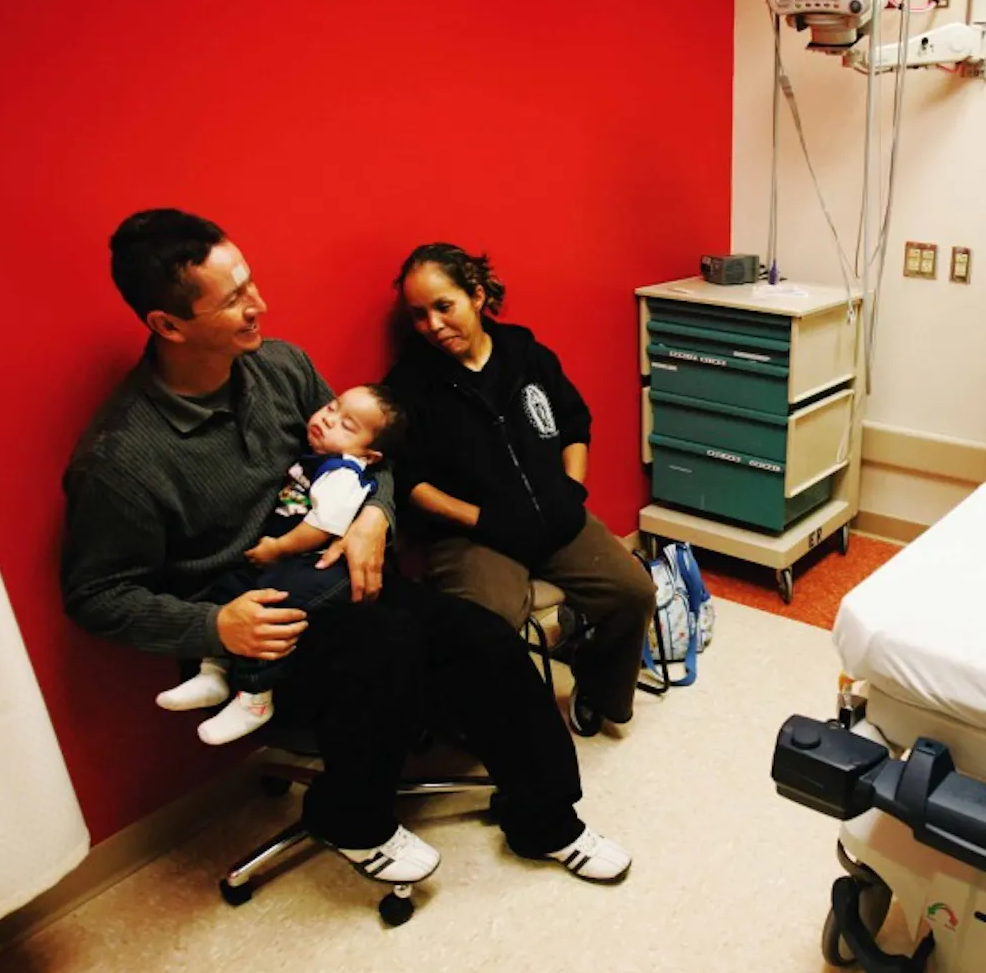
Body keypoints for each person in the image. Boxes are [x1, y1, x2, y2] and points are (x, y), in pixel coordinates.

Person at [61, 209, 630, 884]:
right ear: (168, 324)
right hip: (261, 625)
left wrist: (374, 518)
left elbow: (372, 455)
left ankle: (547, 822)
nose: (258, 305)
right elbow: (96, 596)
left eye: (251, 282)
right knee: (386, 648)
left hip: (349, 583)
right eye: (235, 298)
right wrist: (215, 624)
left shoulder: (281, 366)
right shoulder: (123, 457)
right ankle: (350, 816)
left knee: (485, 639)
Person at [382, 243, 656, 738]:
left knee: (634, 591)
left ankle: (596, 687)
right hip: (472, 533)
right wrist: (481, 520)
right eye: (419, 315)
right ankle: (506, 738)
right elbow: (410, 482)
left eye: (444, 307)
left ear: (477, 296)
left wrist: (571, 489)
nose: (433, 325)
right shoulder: (410, 384)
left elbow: (574, 425)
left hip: (553, 513)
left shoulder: (525, 353)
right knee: (489, 627)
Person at [155, 383, 403, 746]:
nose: (328, 419)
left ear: (370, 454)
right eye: (333, 408)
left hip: (322, 565)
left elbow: (321, 527)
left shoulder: (344, 473)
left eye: (347, 426)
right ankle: (214, 671)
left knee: (273, 610)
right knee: (229, 590)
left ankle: (255, 697)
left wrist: (277, 548)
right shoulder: (316, 457)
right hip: (291, 559)